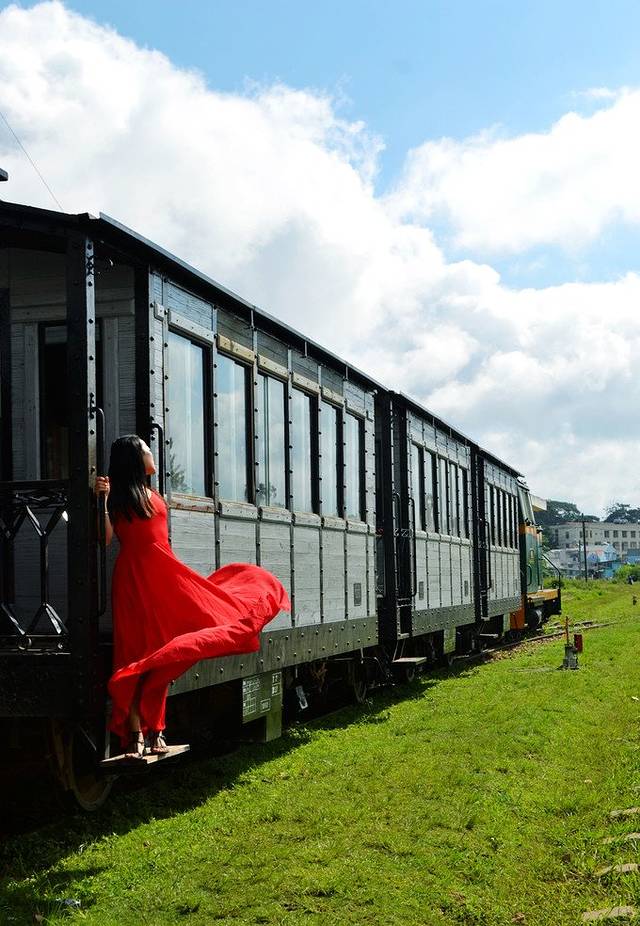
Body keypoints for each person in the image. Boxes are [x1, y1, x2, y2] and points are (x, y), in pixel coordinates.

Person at [95, 434, 290, 761]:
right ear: (134, 458)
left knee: (171, 649)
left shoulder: (155, 495)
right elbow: (105, 539)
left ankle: (155, 728)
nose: (151, 452)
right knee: (134, 655)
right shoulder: (117, 498)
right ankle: (135, 735)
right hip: (133, 581)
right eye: (145, 449)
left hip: (165, 576)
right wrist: (101, 501)